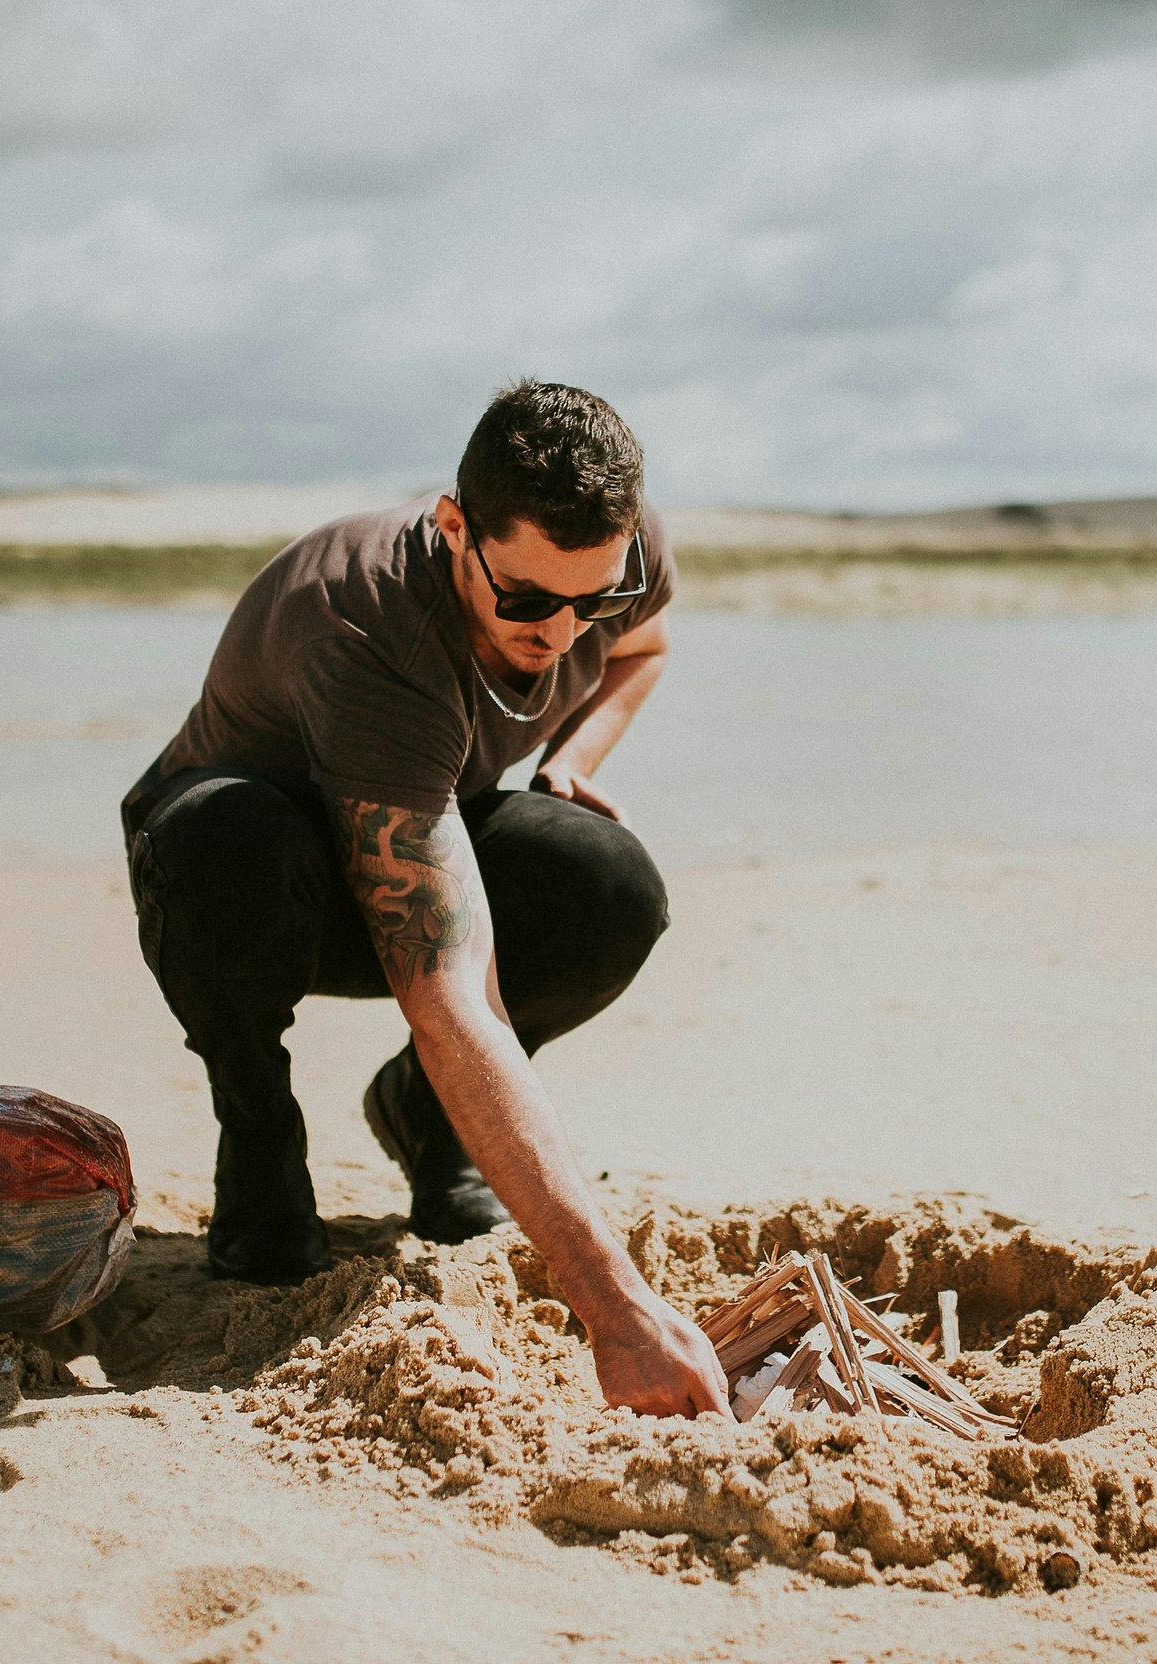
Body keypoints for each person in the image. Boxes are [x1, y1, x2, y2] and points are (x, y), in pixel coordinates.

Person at [118, 380, 728, 1417]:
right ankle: (258, 1132)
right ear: (454, 528)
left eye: (594, 597)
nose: (563, 627)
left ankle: (428, 1119)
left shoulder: (614, 558)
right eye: (529, 599)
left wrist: (571, 762)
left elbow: (646, 646)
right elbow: (447, 994)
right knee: (234, 840)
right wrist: (617, 1311)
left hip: (418, 814)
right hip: (240, 871)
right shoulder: (368, 629)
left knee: (607, 883)